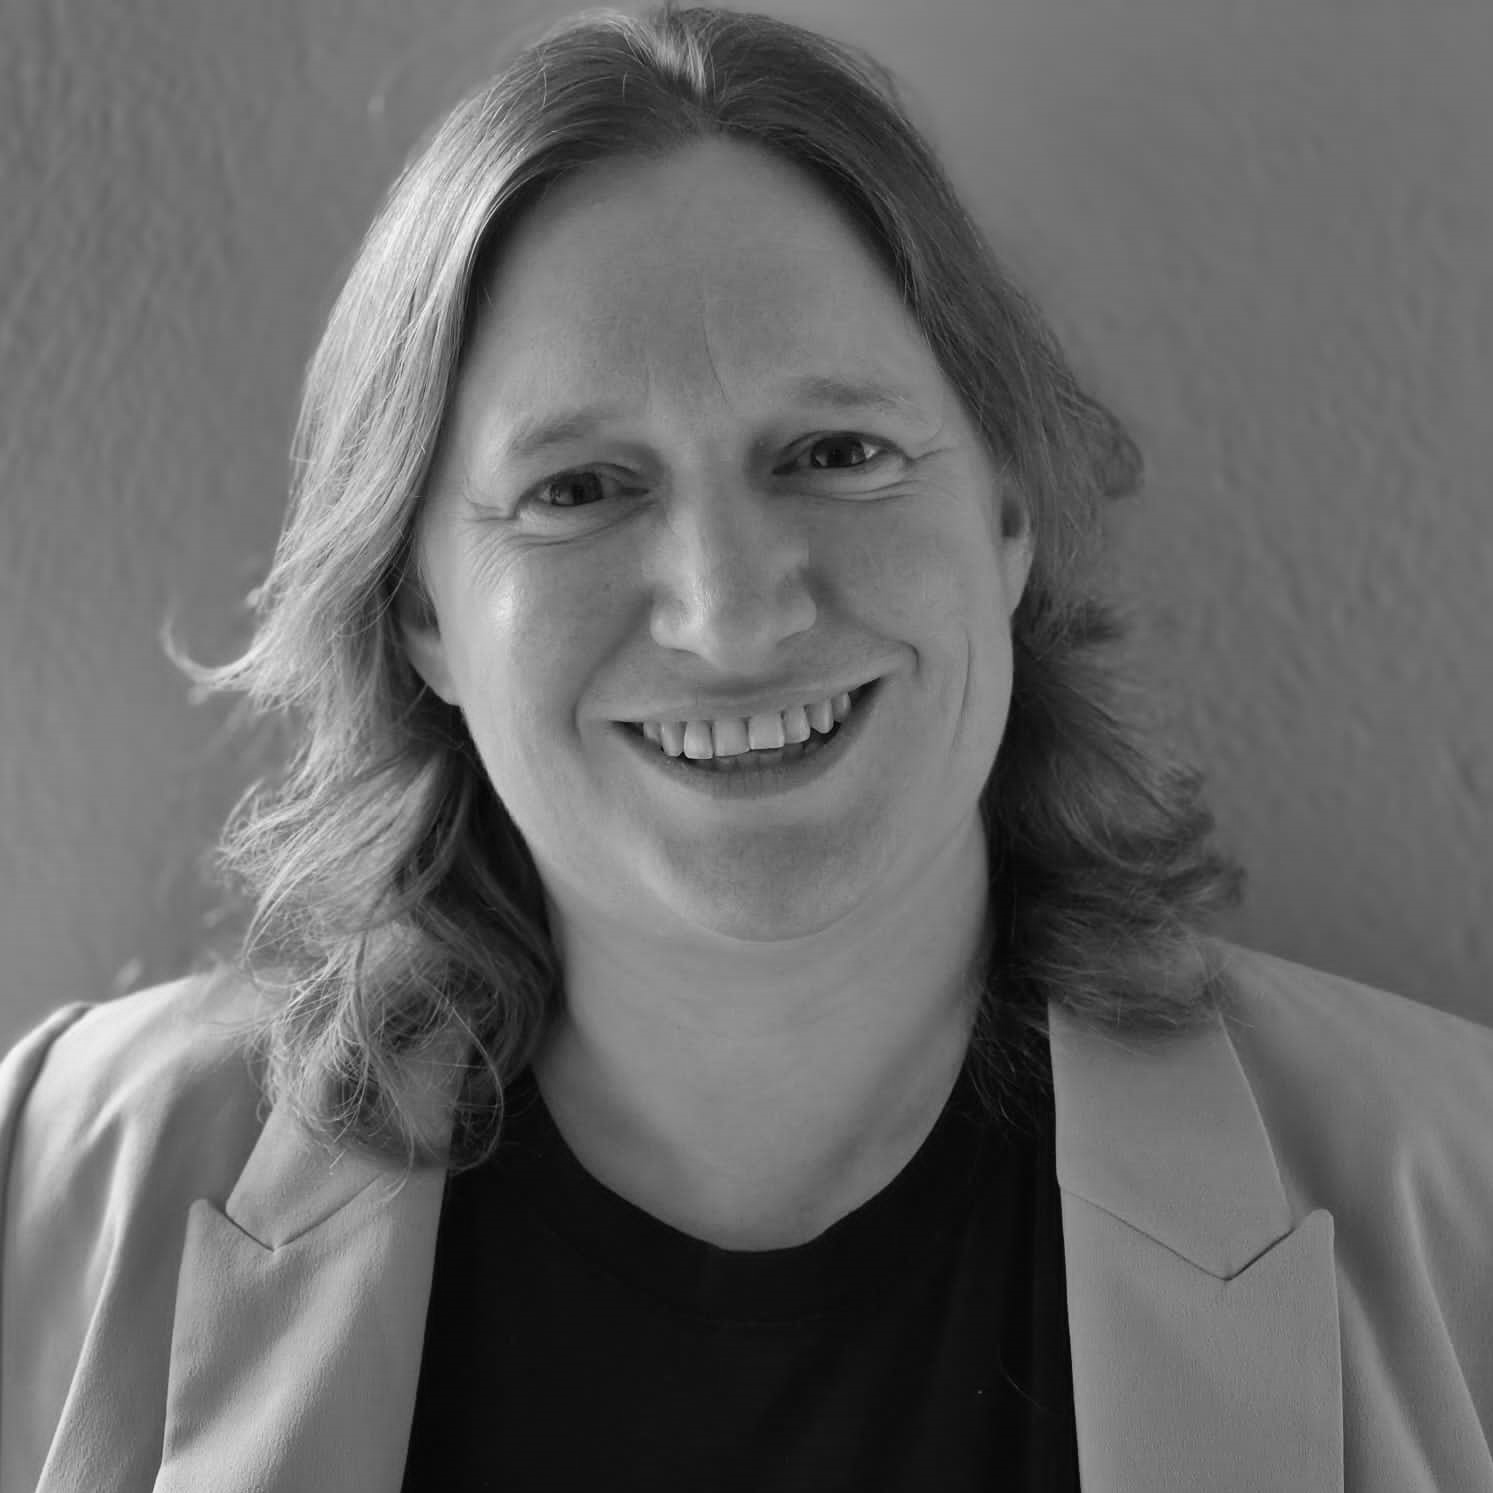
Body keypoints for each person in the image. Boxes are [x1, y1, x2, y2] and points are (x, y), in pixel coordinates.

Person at [2, 4, 1490, 1489]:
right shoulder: (49, 1184)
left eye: (836, 454)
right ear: (422, 618)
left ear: (1008, 516)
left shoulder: (1459, 1199)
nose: (732, 614)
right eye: (580, 487)